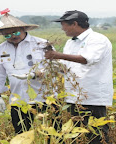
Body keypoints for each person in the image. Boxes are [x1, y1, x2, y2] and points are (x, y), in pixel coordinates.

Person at [45, 10, 113, 143]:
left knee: (96, 135)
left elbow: (87, 59)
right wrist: (50, 66)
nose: (62, 28)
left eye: (64, 24)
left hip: (92, 97)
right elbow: (66, 67)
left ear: (74, 24)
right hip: (72, 96)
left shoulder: (97, 39)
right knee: (76, 135)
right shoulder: (71, 43)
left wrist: (58, 55)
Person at [0, 9, 52, 135]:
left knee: (48, 135)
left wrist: (35, 74)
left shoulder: (41, 44)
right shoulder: (1, 49)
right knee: (21, 134)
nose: (13, 36)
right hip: (18, 100)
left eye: (15, 32)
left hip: (43, 98)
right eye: (7, 35)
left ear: (23, 29)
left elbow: (54, 67)